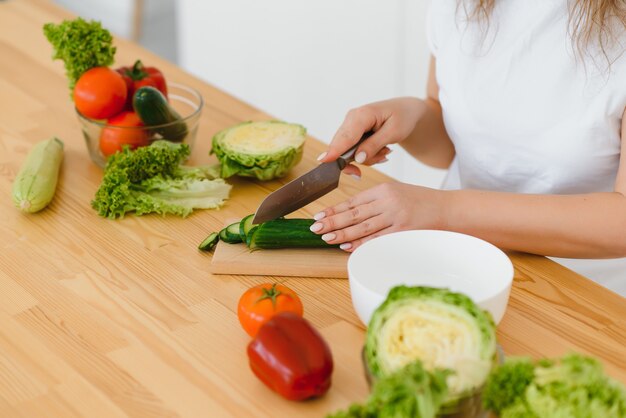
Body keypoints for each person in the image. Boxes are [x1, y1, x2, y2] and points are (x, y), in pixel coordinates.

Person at [310, 0, 626, 295]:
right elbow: (450, 147)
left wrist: (442, 210)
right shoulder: (459, 5)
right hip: (456, 267)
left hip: (583, 295)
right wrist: (412, 116)